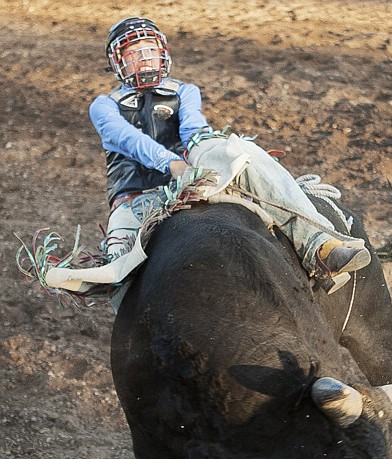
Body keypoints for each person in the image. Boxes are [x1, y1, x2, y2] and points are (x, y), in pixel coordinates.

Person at [45, 17, 371, 297]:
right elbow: (126, 140)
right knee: (118, 264)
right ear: (118, 63)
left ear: (163, 55)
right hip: (136, 199)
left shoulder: (185, 91)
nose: (144, 59)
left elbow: (193, 128)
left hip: (193, 182)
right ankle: (104, 282)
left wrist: (203, 155)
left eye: (150, 51)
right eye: (133, 54)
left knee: (246, 162)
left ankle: (318, 247)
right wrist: (172, 164)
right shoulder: (104, 105)